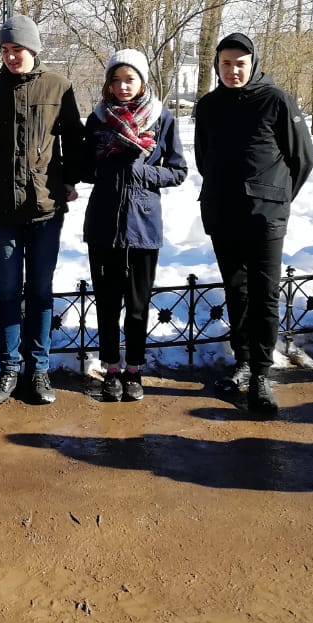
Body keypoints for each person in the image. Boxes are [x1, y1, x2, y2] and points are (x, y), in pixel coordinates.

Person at [0, 15, 85, 405]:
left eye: (17, 49)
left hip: (45, 208)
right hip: (2, 210)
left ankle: (39, 369)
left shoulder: (58, 86)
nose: (11, 56)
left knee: (39, 290)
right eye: (4, 50)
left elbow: (73, 139)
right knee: (6, 291)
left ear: (32, 48)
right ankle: (9, 367)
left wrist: (69, 180)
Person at [194, 32, 313, 415]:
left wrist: (276, 196)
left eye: (240, 64)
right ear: (217, 65)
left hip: (266, 215)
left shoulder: (275, 100)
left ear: (253, 63)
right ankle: (243, 361)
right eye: (226, 63)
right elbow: (203, 157)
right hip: (223, 212)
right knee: (237, 291)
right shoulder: (209, 105)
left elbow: (303, 158)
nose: (233, 70)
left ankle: (262, 373)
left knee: (264, 294)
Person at [81, 50, 187, 402]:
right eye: (116, 80)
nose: (123, 87)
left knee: (138, 304)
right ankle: (111, 368)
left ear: (143, 81)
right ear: (108, 84)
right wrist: (99, 164)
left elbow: (178, 170)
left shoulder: (161, 118)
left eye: (130, 79)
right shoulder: (98, 119)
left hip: (143, 223)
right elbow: (84, 168)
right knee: (107, 303)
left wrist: (143, 172)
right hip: (104, 222)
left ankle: (134, 370)